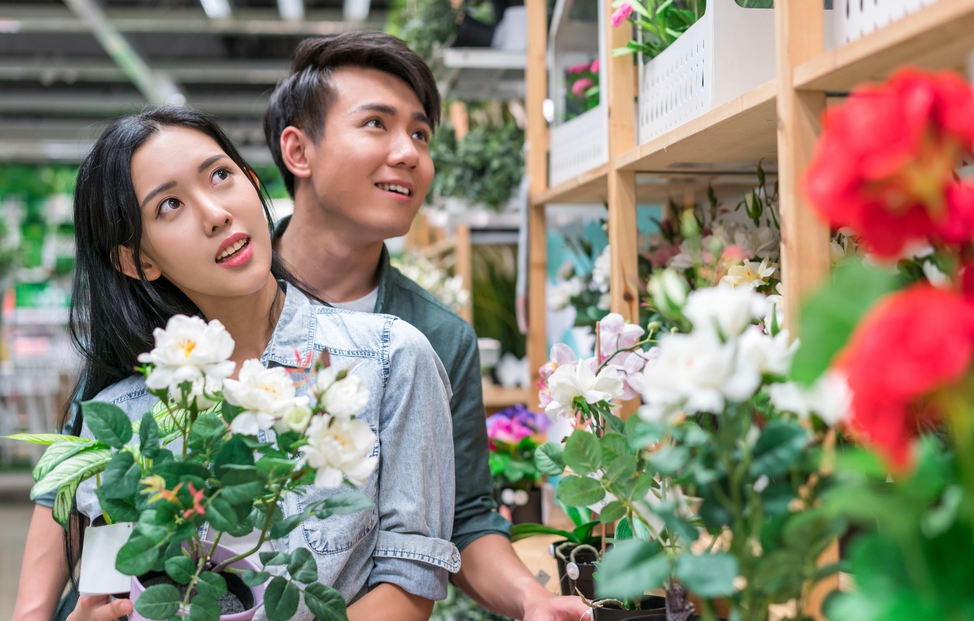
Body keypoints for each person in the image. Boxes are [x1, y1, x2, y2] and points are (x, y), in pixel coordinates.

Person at [14, 106, 458, 621]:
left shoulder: (389, 358)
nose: (215, 213)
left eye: (220, 176)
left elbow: (409, 588)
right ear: (138, 261)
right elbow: (104, 589)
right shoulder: (120, 417)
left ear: (251, 181)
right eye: (170, 205)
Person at [262, 32, 590, 621]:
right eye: (376, 125)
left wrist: (532, 600)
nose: (409, 153)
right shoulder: (216, 294)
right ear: (298, 151)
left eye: (419, 133)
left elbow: (462, 516)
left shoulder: (435, 339)